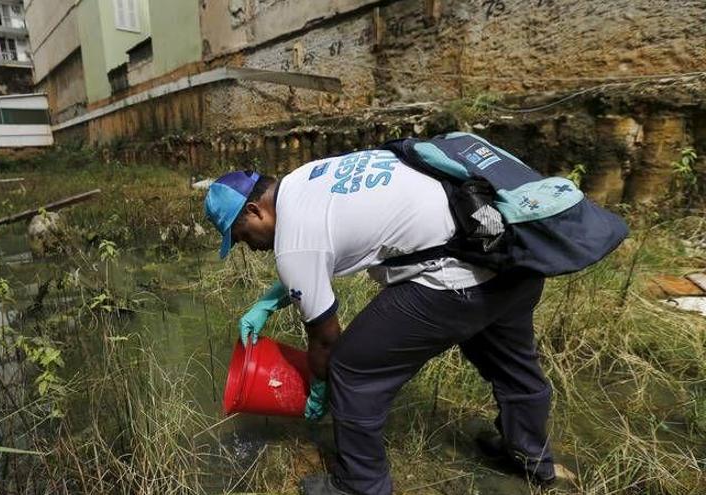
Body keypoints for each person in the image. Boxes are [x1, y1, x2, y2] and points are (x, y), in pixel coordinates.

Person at [203, 148, 556, 495]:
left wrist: (322, 387)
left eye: (242, 236)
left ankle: (361, 485)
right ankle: (529, 458)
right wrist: (268, 302)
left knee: (352, 367)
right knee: (513, 365)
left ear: (254, 210)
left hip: (457, 273)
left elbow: (325, 338)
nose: (249, 246)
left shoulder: (293, 242)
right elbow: (312, 254)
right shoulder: (305, 179)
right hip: (506, 247)